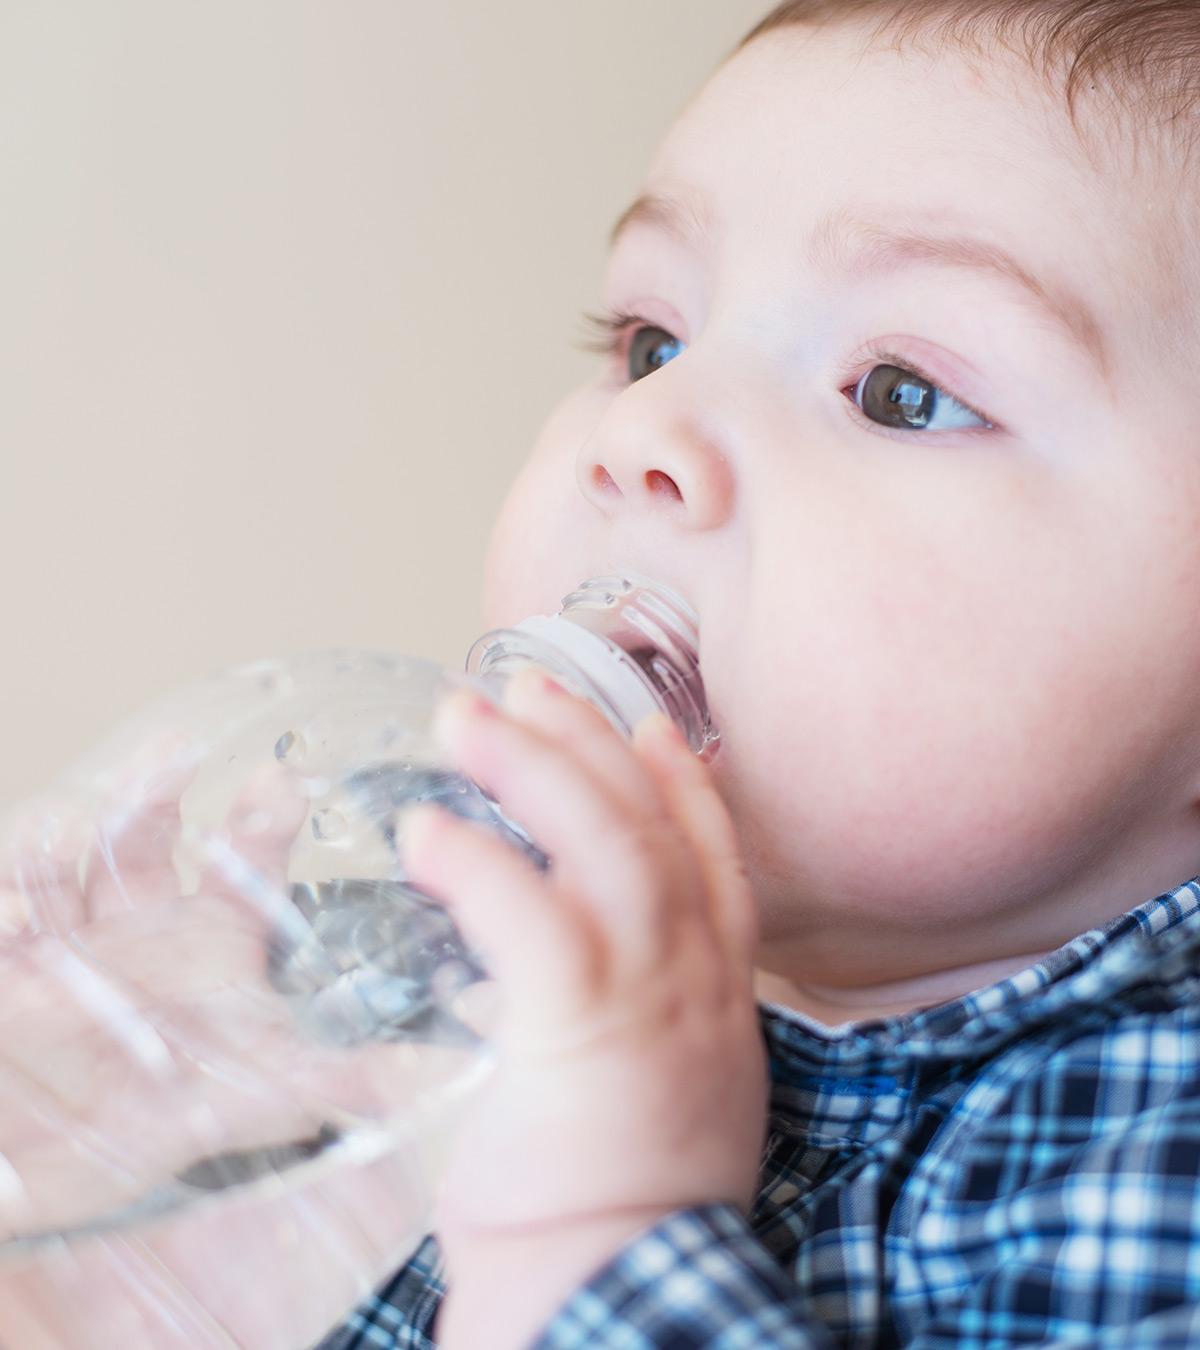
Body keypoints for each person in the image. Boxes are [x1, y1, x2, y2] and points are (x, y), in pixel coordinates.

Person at [317, 1, 1200, 1346]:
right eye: (650, 340)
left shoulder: (1155, 1153)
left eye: (901, 389)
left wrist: (597, 1241)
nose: (643, 429)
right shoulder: (474, 956)